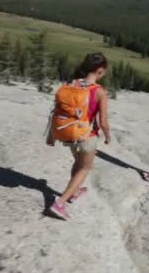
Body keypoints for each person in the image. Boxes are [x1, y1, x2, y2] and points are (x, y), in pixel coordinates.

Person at [46, 52, 111, 220]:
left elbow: (57, 110)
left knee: (78, 162)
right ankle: (59, 203)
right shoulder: (100, 92)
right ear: (100, 70)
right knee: (85, 168)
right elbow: (103, 122)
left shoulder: (72, 84)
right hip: (86, 135)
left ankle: (74, 192)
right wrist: (108, 136)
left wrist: (52, 134)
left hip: (67, 133)